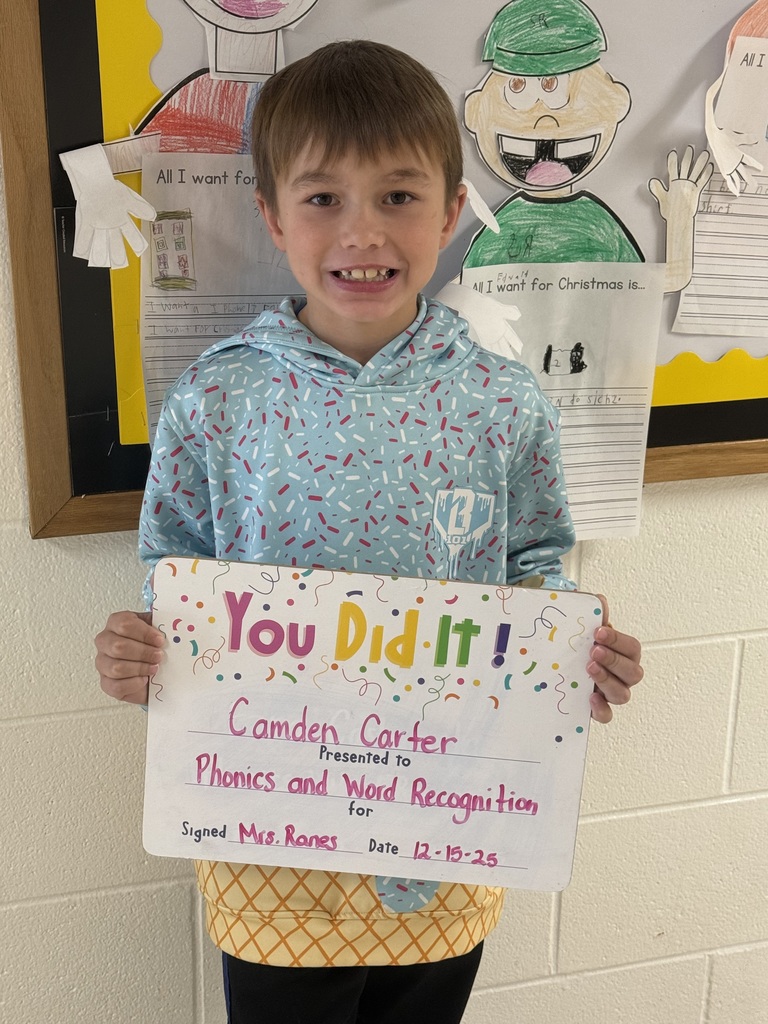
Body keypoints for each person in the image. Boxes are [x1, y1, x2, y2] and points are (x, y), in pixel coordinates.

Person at [95, 40, 643, 1024]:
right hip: (272, 844)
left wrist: (576, 653)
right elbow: (172, 572)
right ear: (269, 214)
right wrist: (144, 652)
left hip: (446, 838)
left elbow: (537, 563)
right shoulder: (219, 400)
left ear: (448, 209)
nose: (363, 231)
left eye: (397, 196)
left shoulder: (502, 402)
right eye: (321, 199)